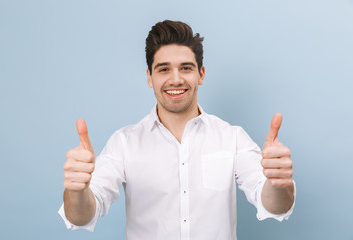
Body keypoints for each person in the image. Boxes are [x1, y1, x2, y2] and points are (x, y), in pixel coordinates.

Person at [59, 20, 295, 240]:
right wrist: (77, 190)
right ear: (149, 77)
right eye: (163, 69)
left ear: (200, 74)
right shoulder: (124, 143)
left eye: (185, 68)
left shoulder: (232, 138)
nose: (176, 79)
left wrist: (278, 184)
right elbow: (82, 216)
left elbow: (274, 205)